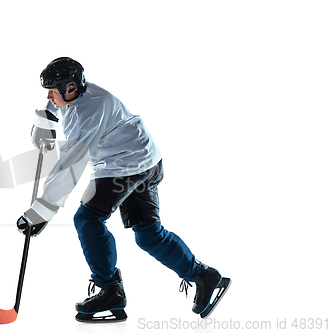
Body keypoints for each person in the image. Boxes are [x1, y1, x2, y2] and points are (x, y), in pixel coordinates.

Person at [16, 57, 231, 322]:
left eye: (53, 90)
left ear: (70, 87)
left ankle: (110, 290)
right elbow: (55, 103)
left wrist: (42, 211)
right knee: (149, 235)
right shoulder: (74, 93)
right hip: (146, 160)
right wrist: (47, 119)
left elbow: (71, 165)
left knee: (87, 219)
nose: (49, 96)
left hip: (123, 166)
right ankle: (203, 275)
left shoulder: (90, 111)